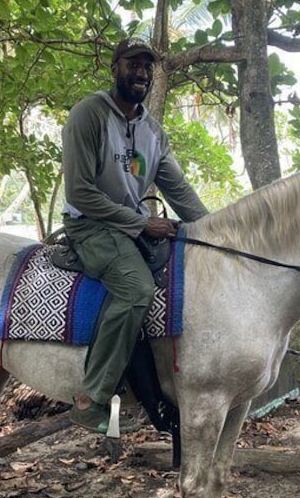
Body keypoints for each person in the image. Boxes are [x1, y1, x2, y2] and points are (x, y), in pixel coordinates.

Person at [62, 38, 209, 434]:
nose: (141, 72)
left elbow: (179, 191)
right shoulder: (89, 115)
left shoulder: (152, 131)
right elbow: (79, 192)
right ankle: (91, 397)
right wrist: (141, 222)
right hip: (90, 225)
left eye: (147, 66)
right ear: (115, 68)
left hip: (131, 225)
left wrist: (217, 231)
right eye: (133, 64)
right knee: (136, 288)